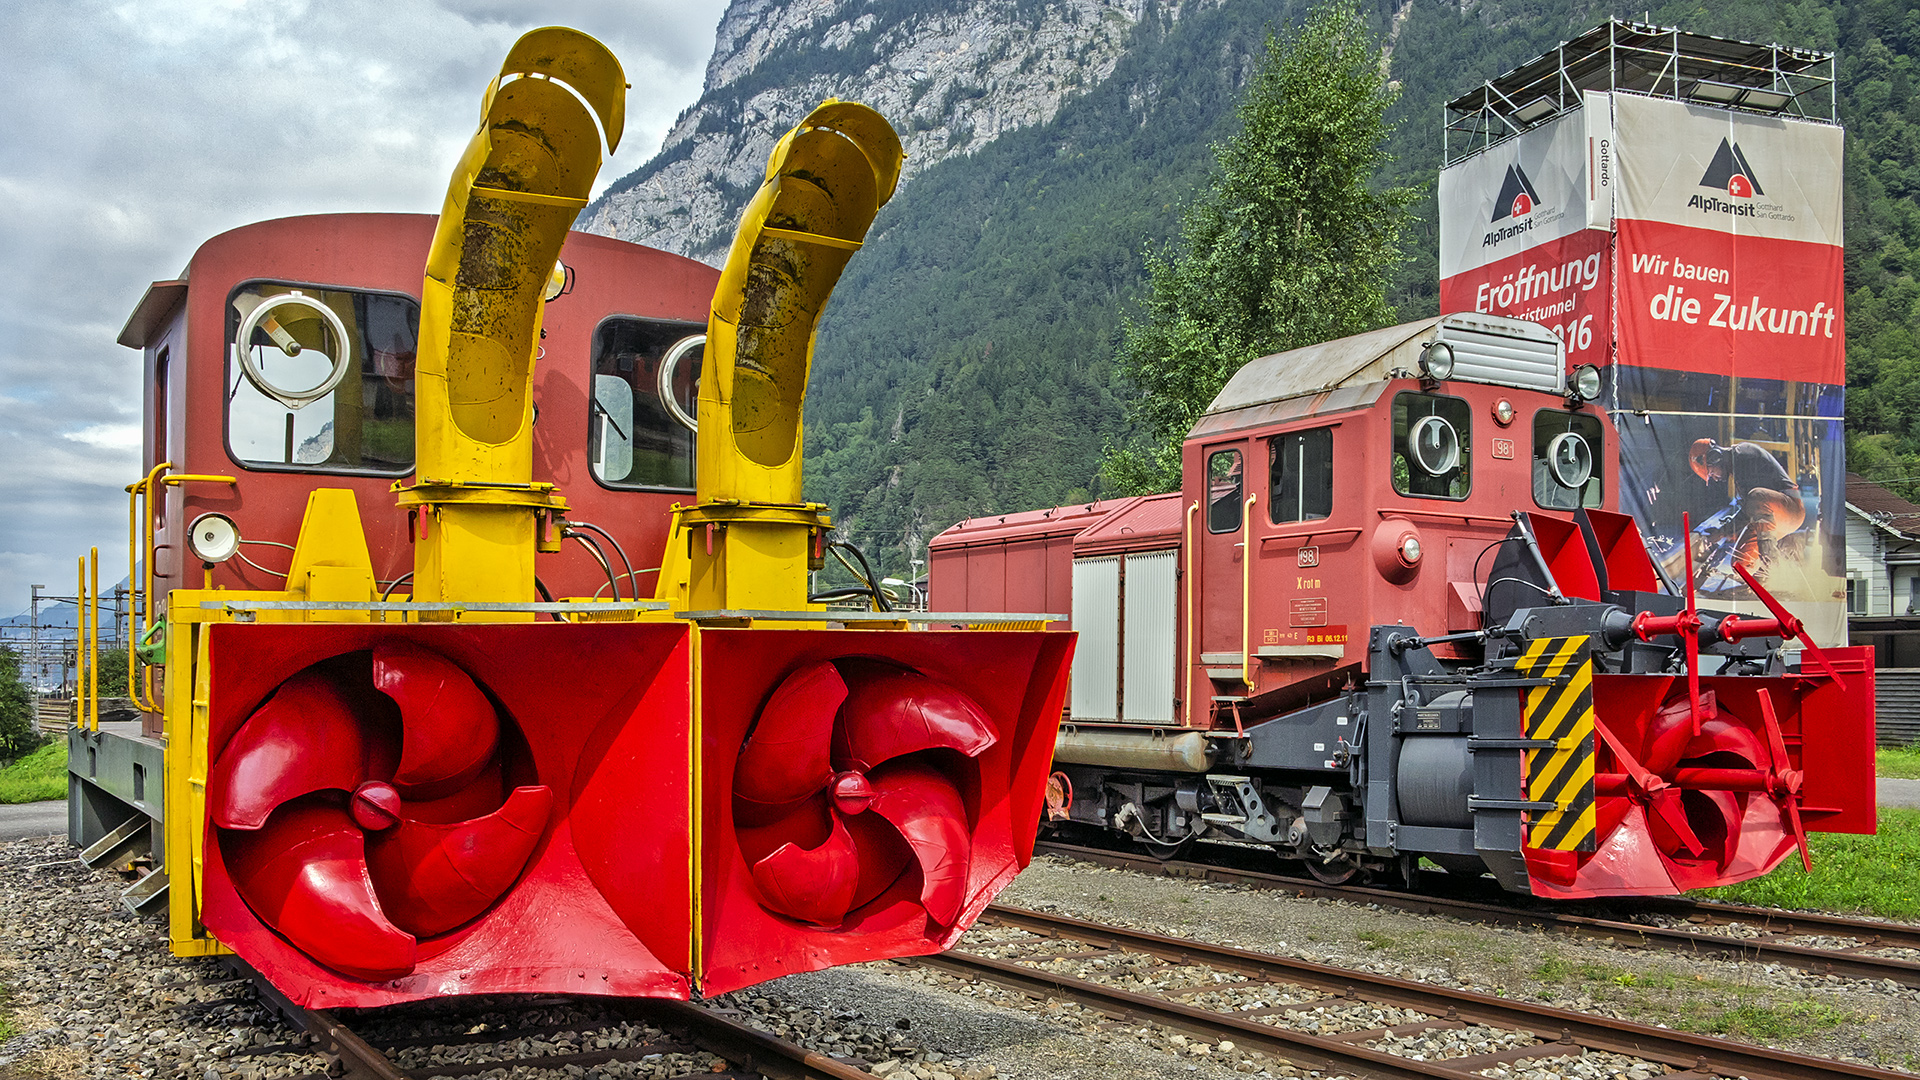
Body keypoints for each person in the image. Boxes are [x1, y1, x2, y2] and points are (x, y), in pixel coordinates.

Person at [1687, 438, 1806, 575]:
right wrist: (1724, 531)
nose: (1715, 478)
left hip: (1791, 509)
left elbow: (1751, 505)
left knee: (1757, 496)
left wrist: (1723, 531)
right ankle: (1773, 564)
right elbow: (1750, 510)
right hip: (1771, 514)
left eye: (1712, 473)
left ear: (1716, 457)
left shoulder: (1743, 454)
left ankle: (1771, 568)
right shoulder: (1737, 467)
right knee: (1740, 565)